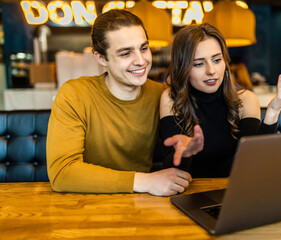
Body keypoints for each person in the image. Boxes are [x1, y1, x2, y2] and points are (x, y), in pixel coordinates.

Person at [46, 10, 204, 196]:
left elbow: (174, 157)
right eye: (125, 53)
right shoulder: (75, 94)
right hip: (83, 205)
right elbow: (62, 173)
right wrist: (145, 181)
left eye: (144, 48)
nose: (141, 61)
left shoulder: (162, 95)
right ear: (101, 58)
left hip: (140, 206)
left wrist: (185, 150)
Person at [159, 23, 281, 177]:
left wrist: (274, 110)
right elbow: (170, 172)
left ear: (225, 62)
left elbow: (254, 162)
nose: (211, 71)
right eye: (199, 64)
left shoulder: (246, 99)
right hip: (187, 193)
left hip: (235, 192)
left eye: (217, 60)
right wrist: (186, 153)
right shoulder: (171, 99)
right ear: (183, 68)